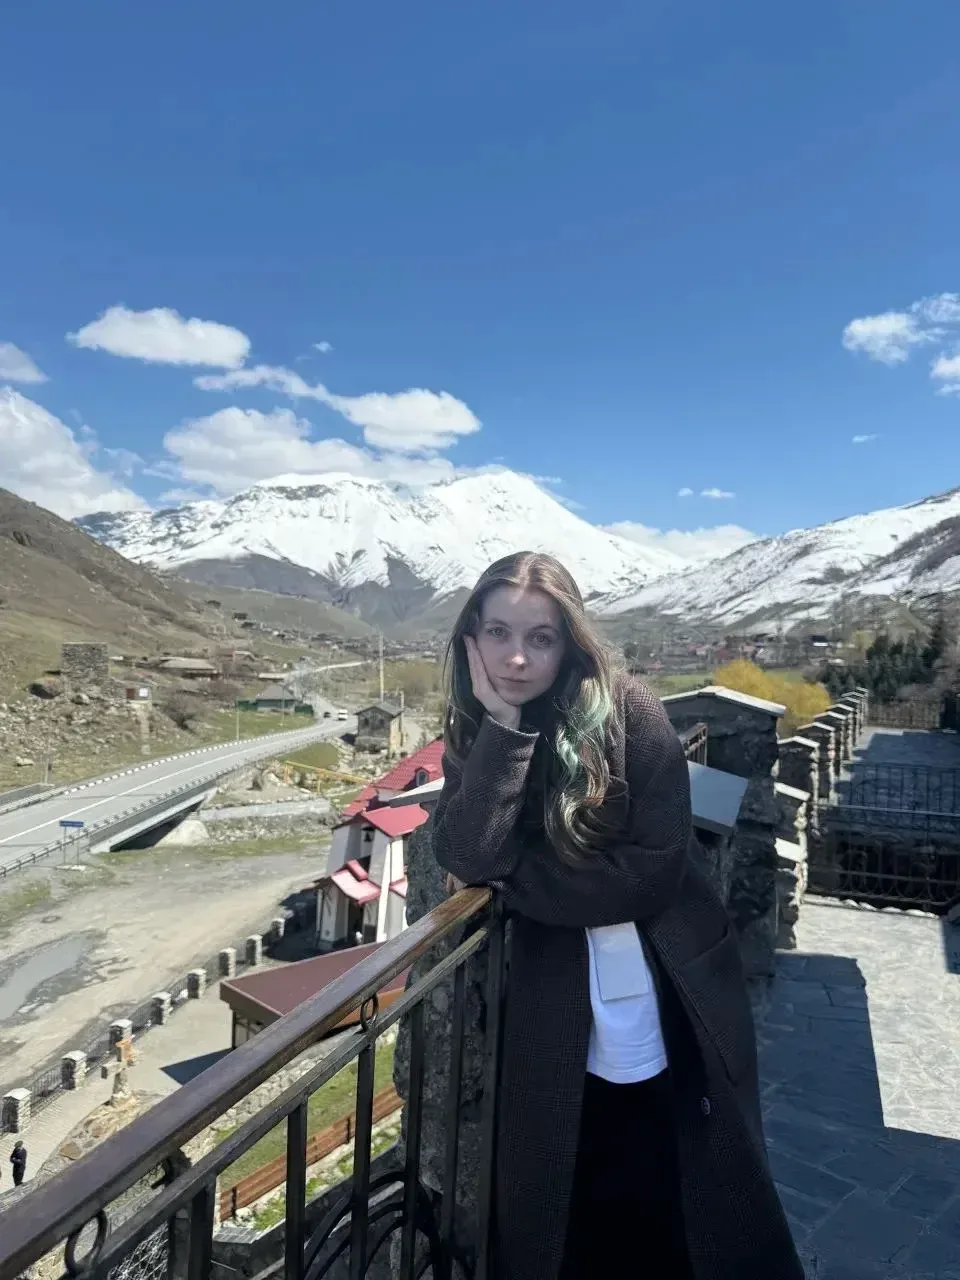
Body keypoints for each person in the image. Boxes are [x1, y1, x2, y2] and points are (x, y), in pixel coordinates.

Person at [432, 551, 803, 1280]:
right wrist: (503, 729)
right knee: (576, 1202)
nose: (515, 657)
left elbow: (647, 875)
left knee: (675, 1193)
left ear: (569, 642)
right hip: (559, 1003)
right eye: (498, 632)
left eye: (540, 638)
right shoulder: (477, 729)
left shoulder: (630, 710)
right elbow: (467, 851)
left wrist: (514, 877)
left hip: (667, 988)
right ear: (471, 638)